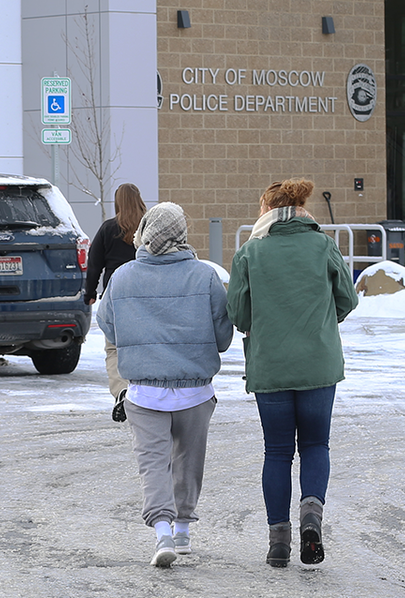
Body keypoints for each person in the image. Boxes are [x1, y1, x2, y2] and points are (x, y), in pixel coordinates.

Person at [226, 178, 358, 568]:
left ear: (267, 211)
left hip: (271, 368)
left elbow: (238, 314)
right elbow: (347, 298)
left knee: (278, 452)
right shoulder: (323, 245)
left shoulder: (250, 252)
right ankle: (311, 517)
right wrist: (319, 323)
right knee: (316, 445)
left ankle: (278, 542)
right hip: (319, 365)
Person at [97, 202, 233, 568]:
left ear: (145, 232)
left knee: (153, 464)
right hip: (195, 391)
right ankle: (185, 528)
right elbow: (223, 336)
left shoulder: (123, 277)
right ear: (181, 233)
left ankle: (162, 533)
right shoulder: (205, 276)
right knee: (189, 461)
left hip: (144, 392)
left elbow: (107, 326)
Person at [85, 183, 147, 420]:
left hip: (115, 296)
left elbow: (94, 264)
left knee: (114, 348)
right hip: (145, 294)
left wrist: (89, 292)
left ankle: (122, 390)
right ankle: (146, 391)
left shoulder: (108, 228)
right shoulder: (149, 226)